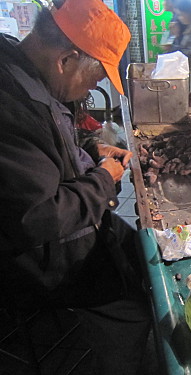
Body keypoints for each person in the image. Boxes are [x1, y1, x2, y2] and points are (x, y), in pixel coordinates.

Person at [0, 0, 152, 374]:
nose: (96, 85)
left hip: (65, 224)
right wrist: (104, 178)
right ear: (66, 59)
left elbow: (44, 153)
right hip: (37, 257)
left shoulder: (26, 72)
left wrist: (88, 148)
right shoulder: (11, 109)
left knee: (145, 254)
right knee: (132, 308)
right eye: (97, 75)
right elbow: (38, 216)